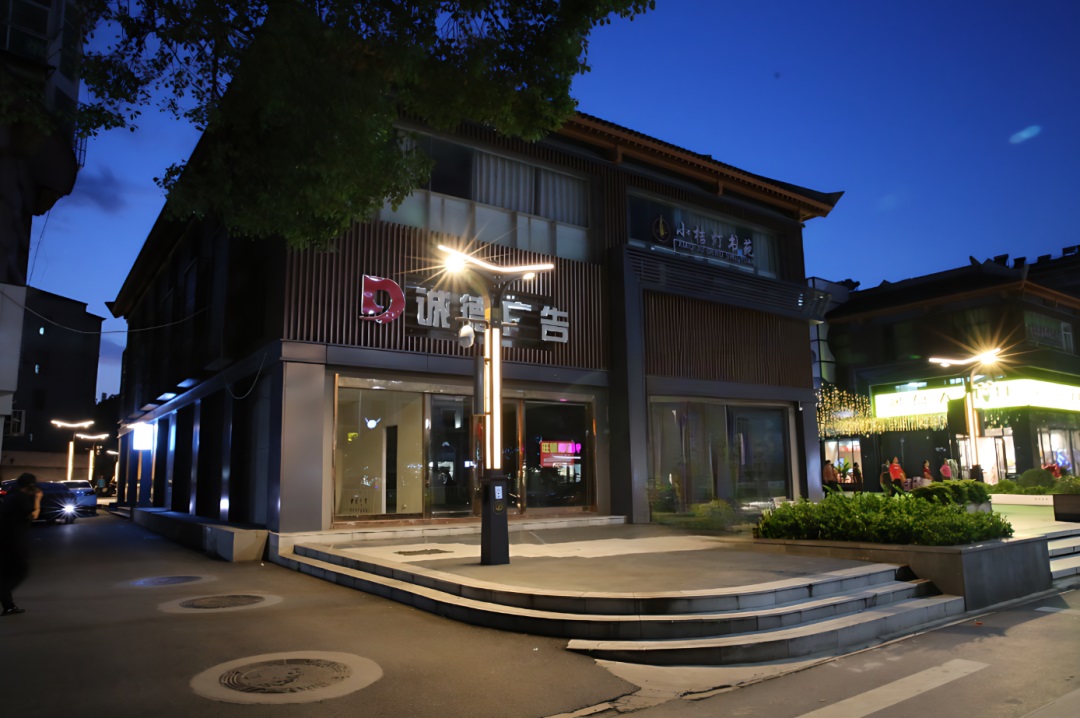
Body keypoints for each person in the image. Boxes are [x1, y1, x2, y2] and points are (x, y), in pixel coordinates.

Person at [0, 473, 42, 616]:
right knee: (20, 571)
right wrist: (37, 500)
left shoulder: (11, 495)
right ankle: (4, 596)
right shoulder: (20, 498)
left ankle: (9, 606)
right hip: (14, 540)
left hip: (5, 539)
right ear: (30, 486)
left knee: (6, 573)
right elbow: (33, 515)